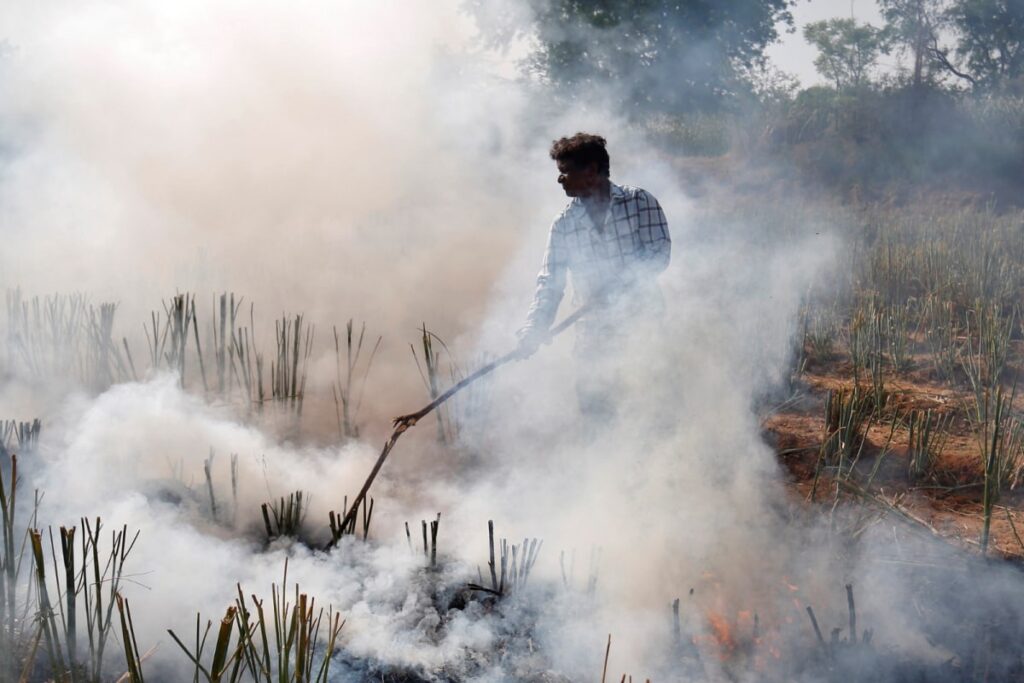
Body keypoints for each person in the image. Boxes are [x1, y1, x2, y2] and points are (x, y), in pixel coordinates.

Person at [517, 133, 671, 421]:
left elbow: (659, 253)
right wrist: (533, 330)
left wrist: (620, 285)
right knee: (598, 413)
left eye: (565, 173)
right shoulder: (564, 224)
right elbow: (550, 282)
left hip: (645, 328)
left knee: (651, 408)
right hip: (594, 335)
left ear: (590, 171)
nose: (560, 180)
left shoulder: (639, 202)